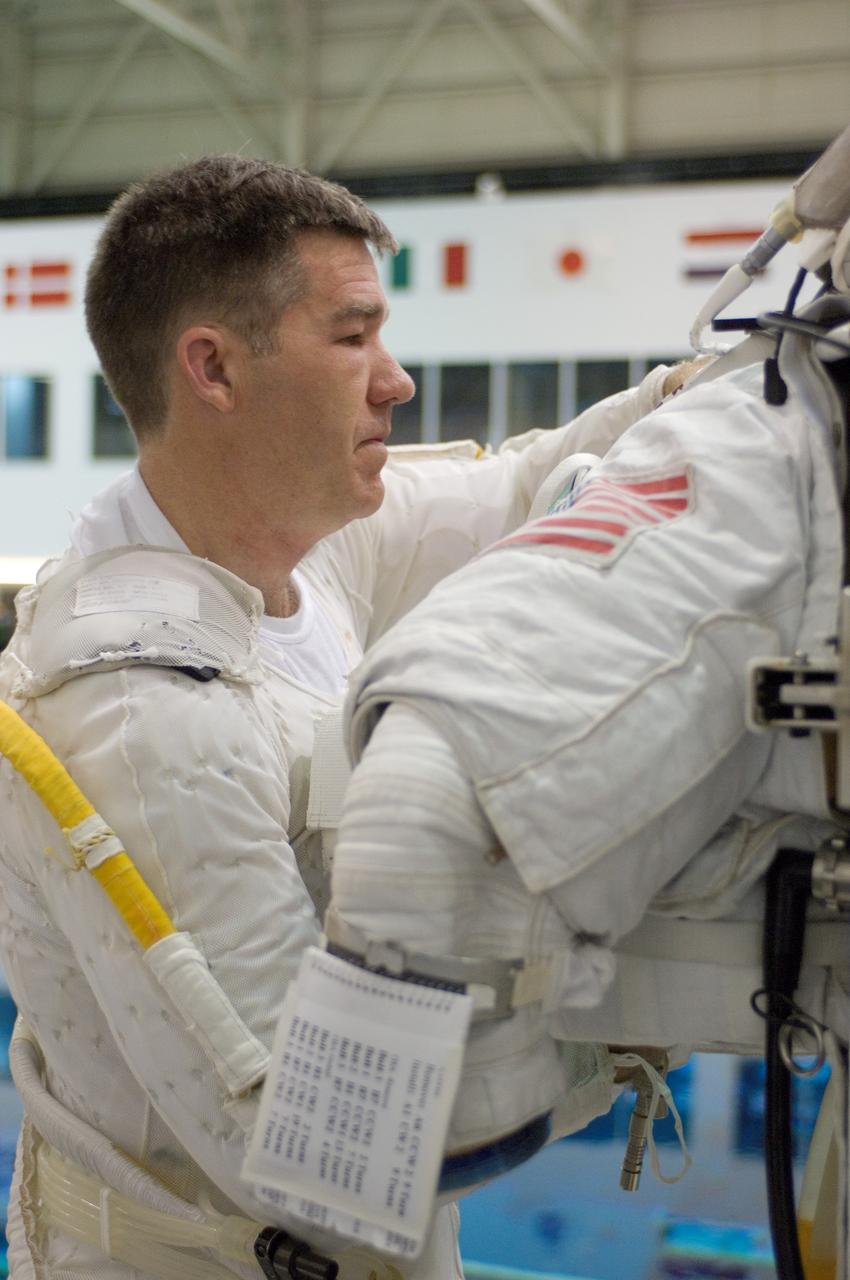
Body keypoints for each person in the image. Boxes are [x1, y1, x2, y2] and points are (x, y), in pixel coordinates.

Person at [0, 154, 679, 1280]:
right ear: (212, 369)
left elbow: (528, 491)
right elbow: (314, 1142)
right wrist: (626, 1008)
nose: (397, 379)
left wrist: (735, 375)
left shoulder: (310, 553)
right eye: (353, 336)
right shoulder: (137, 711)